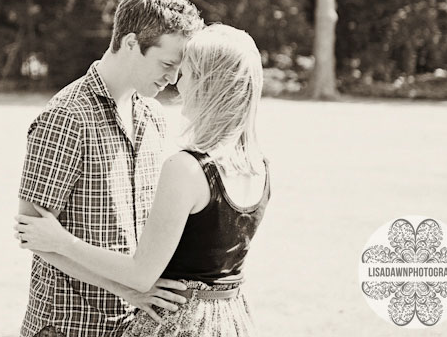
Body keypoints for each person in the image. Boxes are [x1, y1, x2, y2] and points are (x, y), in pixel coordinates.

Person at [15, 24, 271, 337]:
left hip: (181, 323)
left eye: (186, 71)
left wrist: (62, 241)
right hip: (229, 320)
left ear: (208, 83)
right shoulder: (259, 167)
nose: (177, 82)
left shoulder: (186, 168)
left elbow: (141, 274)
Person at [16, 0, 204, 337]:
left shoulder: (153, 115)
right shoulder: (66, 116)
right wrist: (127, 289)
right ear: (131, 43)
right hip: (67, 325)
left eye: (179, 69)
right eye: (167, 64)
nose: (173, 79)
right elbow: (33, 235)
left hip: (132, 323)